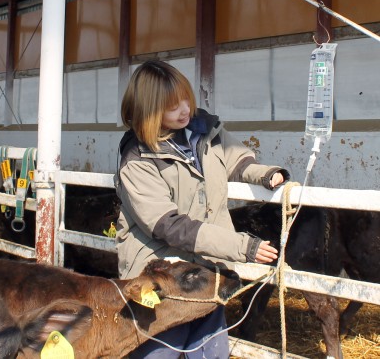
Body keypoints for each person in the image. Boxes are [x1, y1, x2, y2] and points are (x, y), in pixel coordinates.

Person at [114, 60, 289, 359]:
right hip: (161, 277)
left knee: (211, 351)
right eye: (171, 105)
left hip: (206, 271)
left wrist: (263, 174)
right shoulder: (137, 157)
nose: (184, 109)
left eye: (186, 98)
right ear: (148, 109)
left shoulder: (204, 130)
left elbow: (235, 159)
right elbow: (168, 225)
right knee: (160, 351)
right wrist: (239, 245)